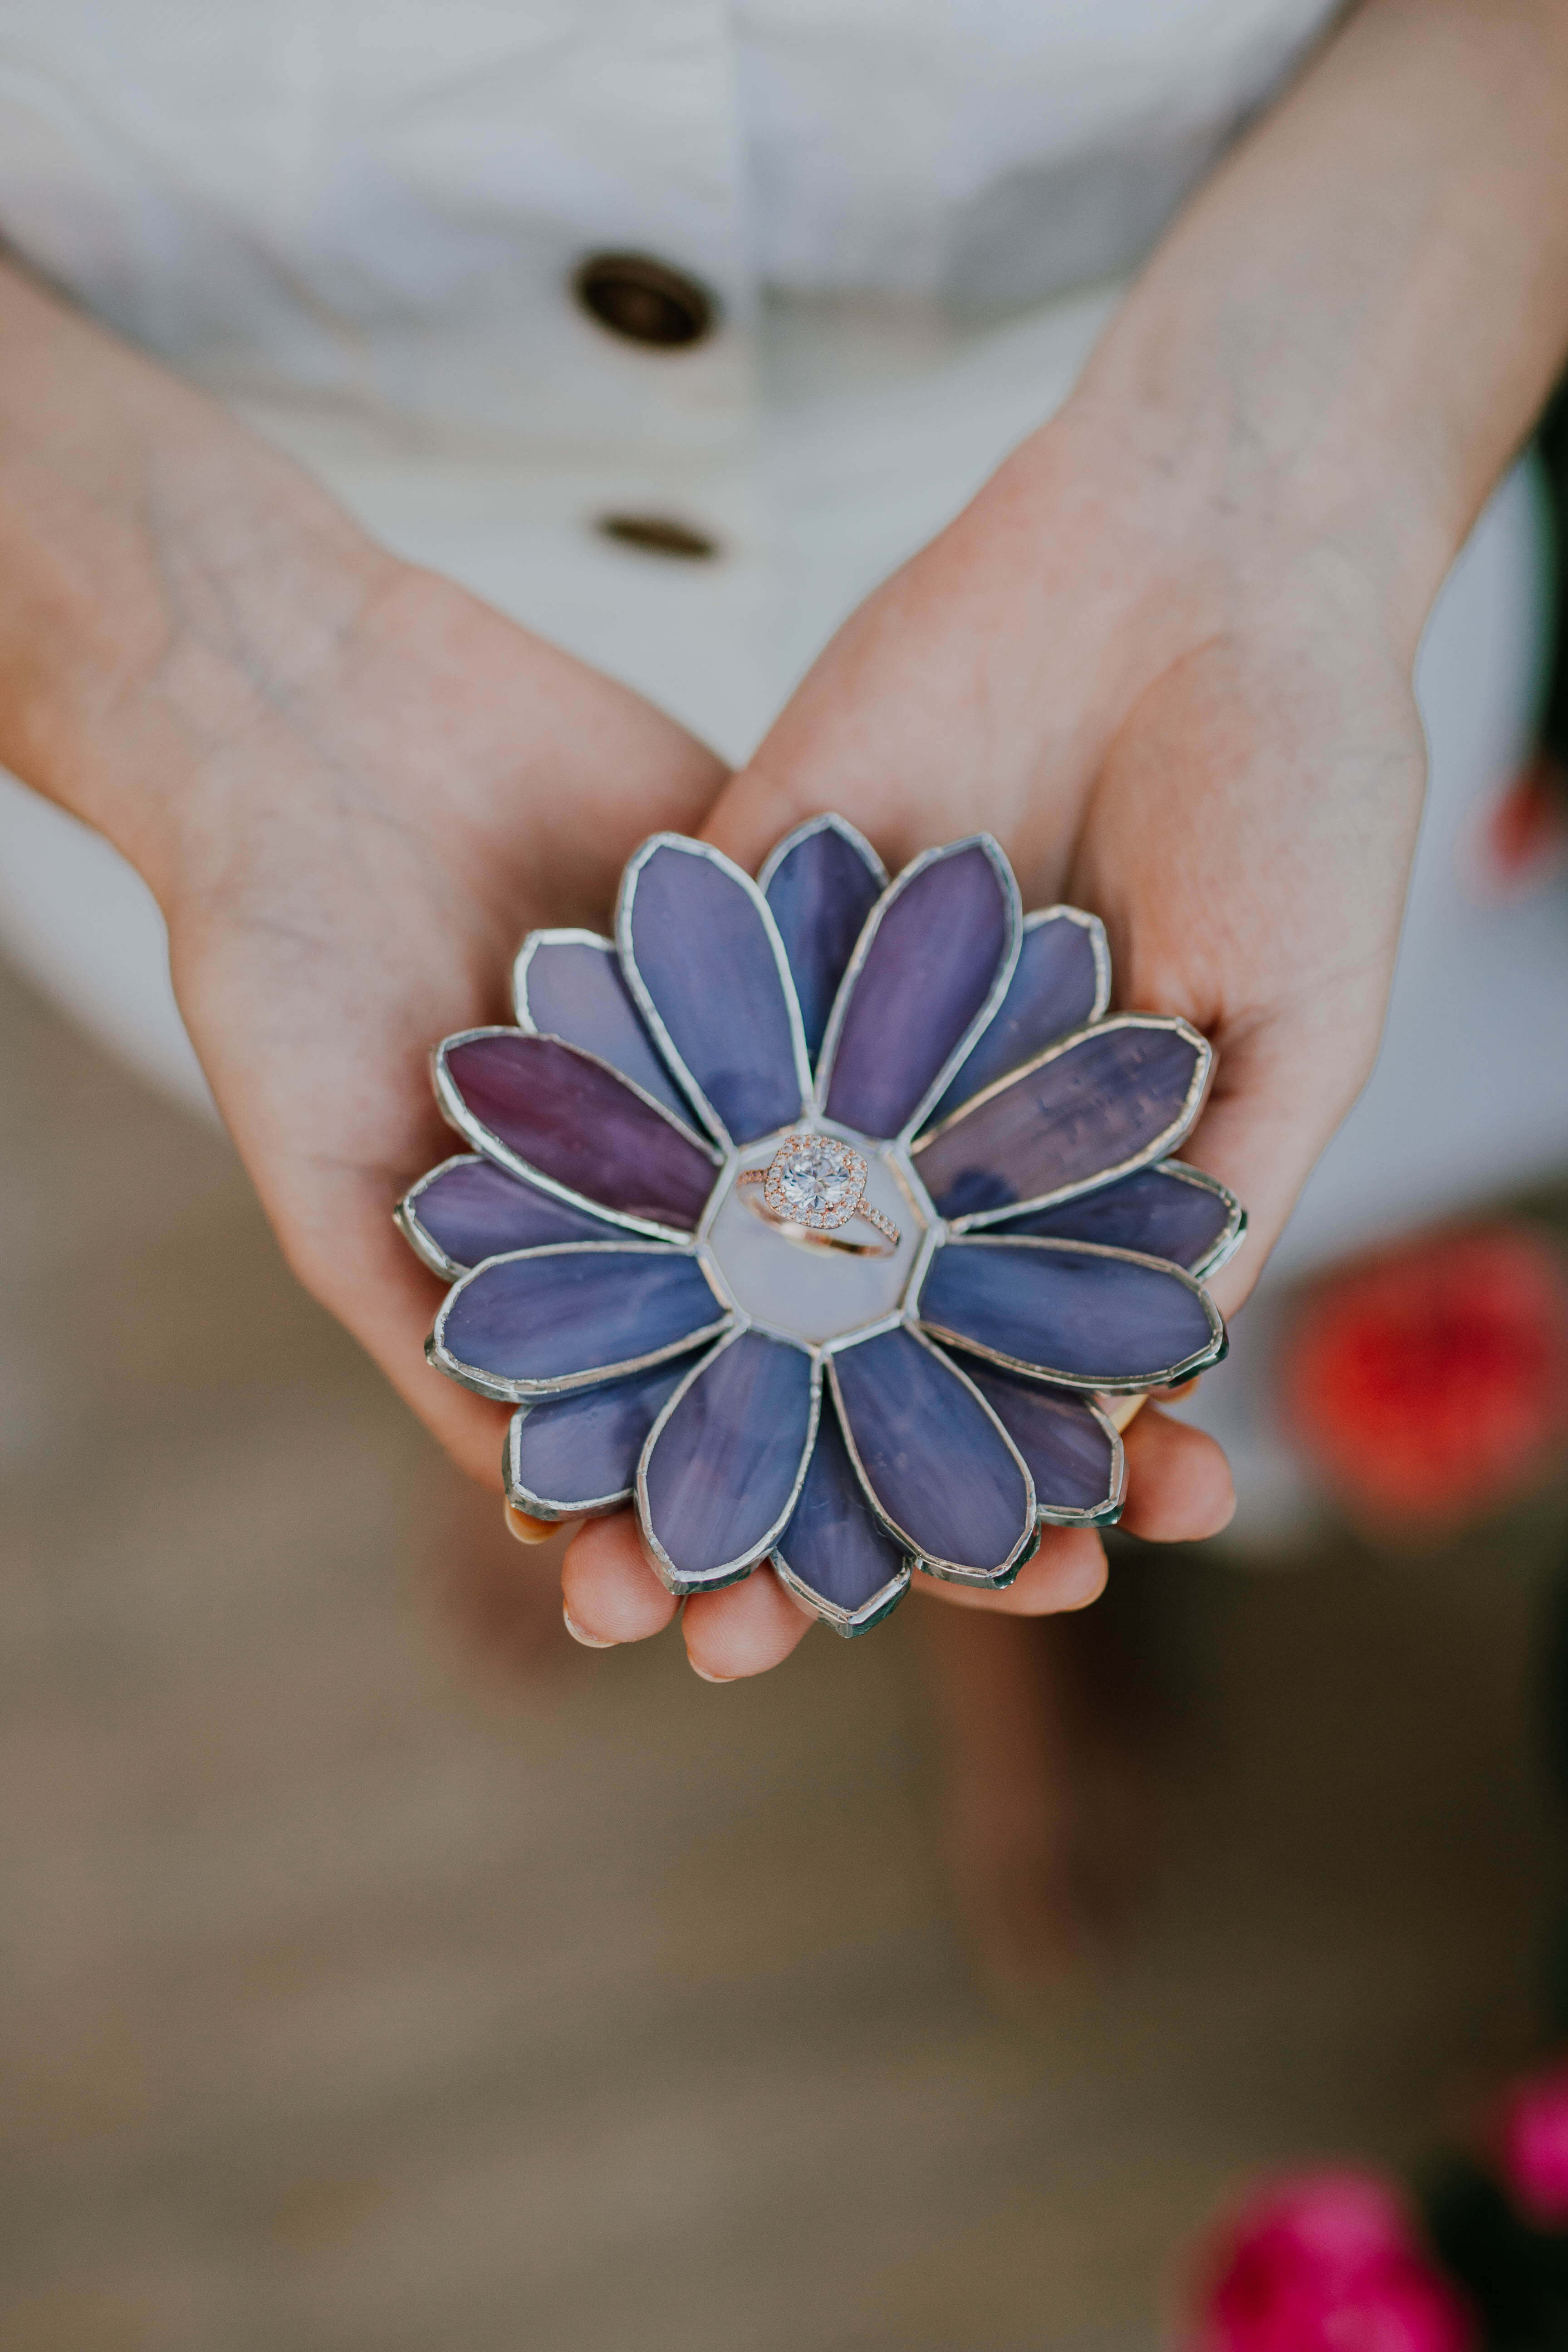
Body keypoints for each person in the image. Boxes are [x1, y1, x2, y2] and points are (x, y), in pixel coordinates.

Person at [1, 0, 1566, 1732]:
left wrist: (1293, 482)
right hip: (220, 587)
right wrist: (136, 634)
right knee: (442, 1210)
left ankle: (939, 1436)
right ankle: (627, 1387)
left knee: (1198, 1170)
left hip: (1245, 493)